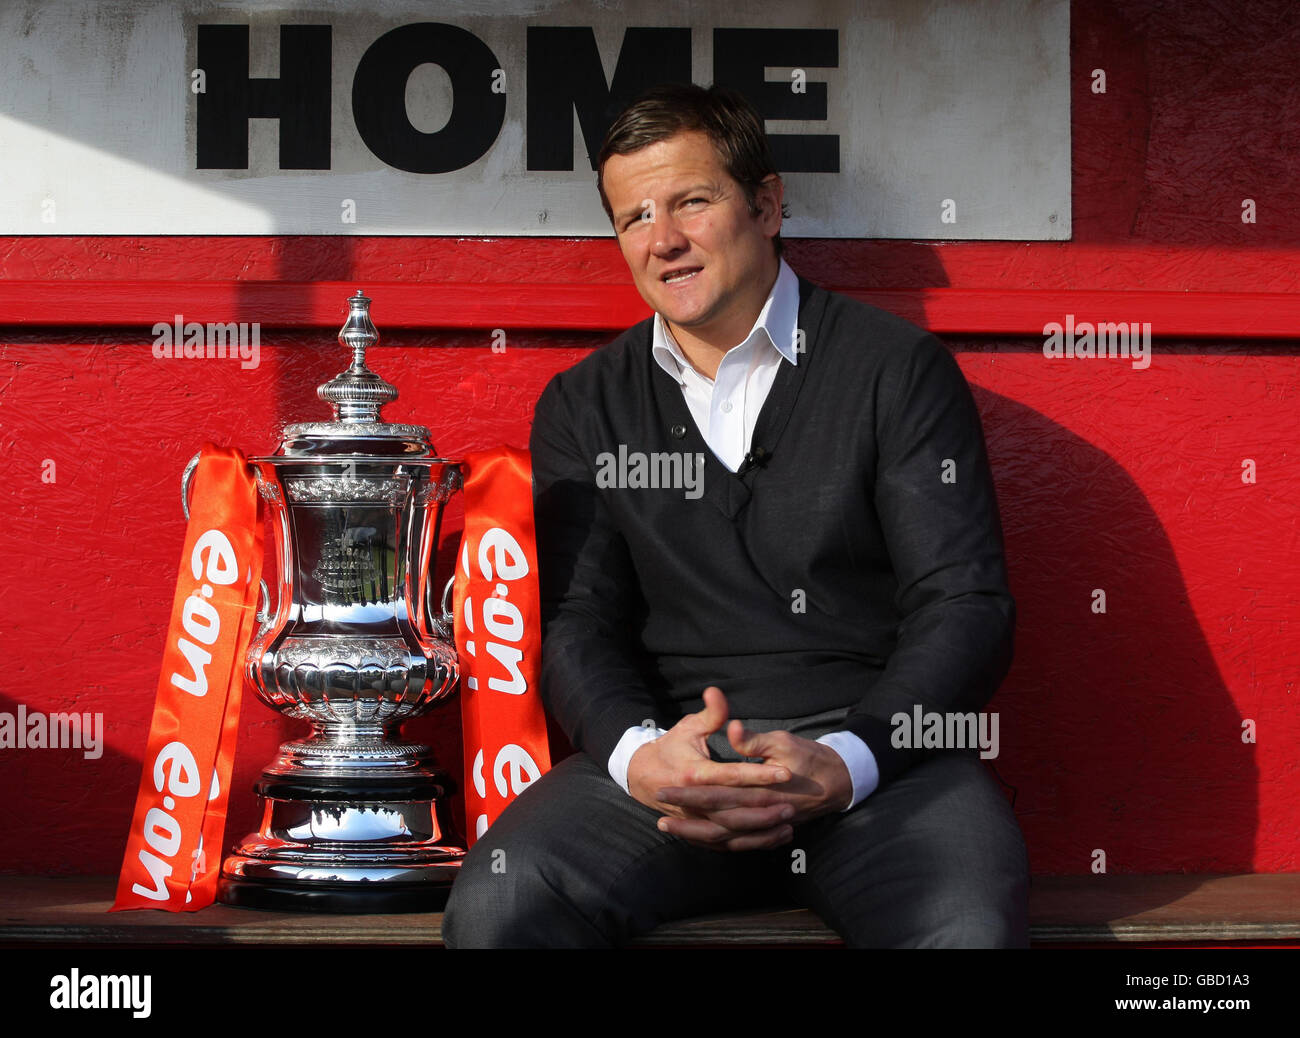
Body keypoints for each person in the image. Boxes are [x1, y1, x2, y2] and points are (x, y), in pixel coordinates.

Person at [442, 83, 1029, 948]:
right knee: (502, 902)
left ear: (766, 203)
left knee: (967, 930)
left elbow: (966, 606)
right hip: (676, 768)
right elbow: (574, 624)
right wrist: (642, 754)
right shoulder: (584, 403)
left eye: (691, 201)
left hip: (881, 768)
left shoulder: (895, 370)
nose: (663, 239)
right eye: (634, 217)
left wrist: (849, 759)